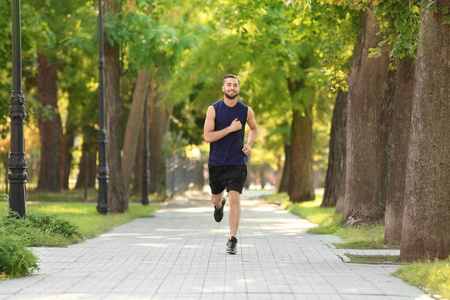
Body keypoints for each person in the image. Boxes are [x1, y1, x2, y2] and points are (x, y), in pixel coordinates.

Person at [203, 74, 258, 254]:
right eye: (229, 85)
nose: (232, 88)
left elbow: (254, 128)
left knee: (235, 197)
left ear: (238, 89)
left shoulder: (246, 110)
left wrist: (249, 144)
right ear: (223, 88)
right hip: (217, 162)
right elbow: (207, 136)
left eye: (235, 85)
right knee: (216, 198)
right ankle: (219, 205)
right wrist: (230, 129)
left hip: (237, 162)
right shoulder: (213, 109)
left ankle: (232, 239)